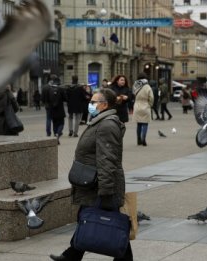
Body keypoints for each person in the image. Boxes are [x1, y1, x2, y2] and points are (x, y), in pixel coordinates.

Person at [49, 88, 132, 261]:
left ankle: (72, 255)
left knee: (109, 221)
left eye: (94, 102)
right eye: (91, 102)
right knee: (89, 217)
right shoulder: (100, 122)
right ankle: (72, 255)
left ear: (104, 105)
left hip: (99, 184)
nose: (90, 105)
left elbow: (108, 159)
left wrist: (106, 189)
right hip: (93, 183)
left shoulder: (107, 125)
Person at [132, 73, 154, 146]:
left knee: (138, 124)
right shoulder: (147, 86)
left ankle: (138, 140)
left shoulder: (135, 85)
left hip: (137, 105)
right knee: (145, 123)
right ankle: (143, 139)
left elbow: (133, 95)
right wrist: (150, 104)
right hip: (145, 105)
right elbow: (151, 97)